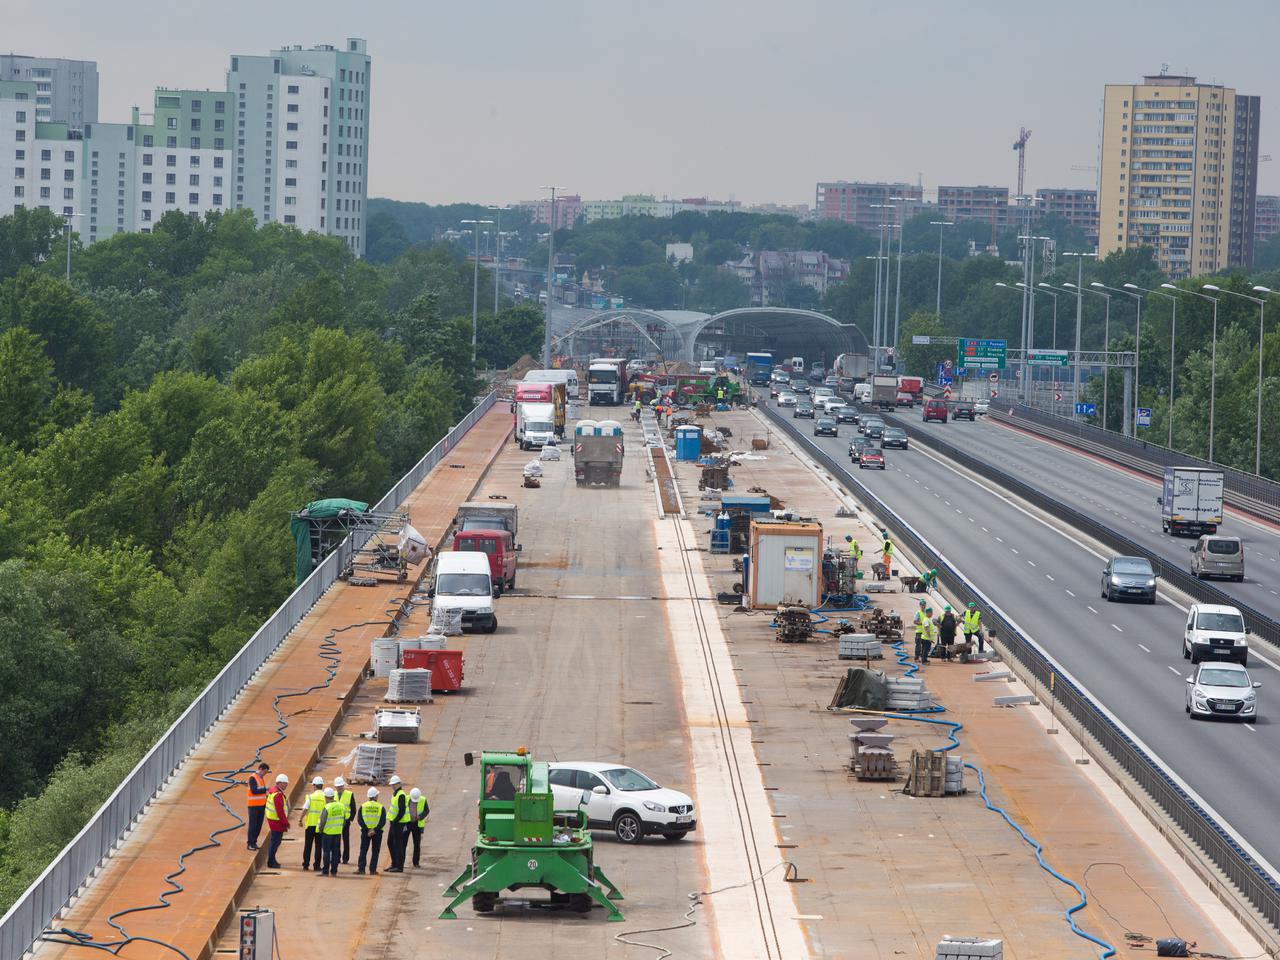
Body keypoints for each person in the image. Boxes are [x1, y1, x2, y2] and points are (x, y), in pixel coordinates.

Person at [316, 787, 346, 876]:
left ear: (326, 797)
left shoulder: (327, 807)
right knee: (336, 852)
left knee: (326, 852)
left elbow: (322, 821)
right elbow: (344, 820)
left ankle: (325, 871)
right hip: (337, 833)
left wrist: (321, 830)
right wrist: (339, 828)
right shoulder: (341, 805)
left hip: (327, 833)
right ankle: (334, 871)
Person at [357, 787, 386, 875]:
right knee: (375, 851)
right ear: (376, 796)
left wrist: (367, 829)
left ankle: (361, 869)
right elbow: (382, 821)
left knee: (363, 850)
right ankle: (372, 870)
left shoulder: (363, 806)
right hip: (377, 833)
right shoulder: (381, 807)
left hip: (365, 832)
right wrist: (374, 830)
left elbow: (360, 820)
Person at [264, 773, 290, 869]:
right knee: (275, 841)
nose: (286, 785)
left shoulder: (273, 791)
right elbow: (280, 811)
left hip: (273, 820)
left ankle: (272, 859)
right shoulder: (277, 795)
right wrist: (285, 823)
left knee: (274, 841)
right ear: (279, 783)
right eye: (284, 783)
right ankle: (271, 861)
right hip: (276, 821)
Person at [300, 776, 326, 871]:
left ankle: (306, 865)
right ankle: (317, 866)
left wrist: (300, 820)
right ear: (322, 786)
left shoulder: (310, 797)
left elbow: (305, 809)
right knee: (318, 846)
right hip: (320, 826)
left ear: (314, 786)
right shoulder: (325, 797)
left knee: (308, 845)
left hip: (310, 825)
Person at [385, 775, 409, 873]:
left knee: (397, 844)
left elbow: (402, 811)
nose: (393, 786)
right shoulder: (395, 794)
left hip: (399, 823)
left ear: (399, 784)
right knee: (390, 842)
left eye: (394, 784)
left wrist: (395, 821)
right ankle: (394, 863)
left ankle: (399, 866)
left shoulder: (401, 795)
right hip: (394, 822)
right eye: (392, 784)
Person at [245, 761, 270, 850]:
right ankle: (250, 843)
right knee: (253, 825)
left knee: (258, 825)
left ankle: (254, 842)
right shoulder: (253, 778)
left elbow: (260, 792)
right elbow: (254, 791)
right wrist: (265, 789)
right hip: (253, 806)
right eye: (265, 772)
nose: (265, 774)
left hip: (261, 805)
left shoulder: (261, 778)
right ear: (260, 769)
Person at [406, 787, 430, 868]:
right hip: (407, 823)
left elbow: (427, 810)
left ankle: (416, 862)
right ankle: (401, 862)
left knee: (417, 844)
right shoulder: (406, 799)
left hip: (417, 824)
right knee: (403, 843)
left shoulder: (423, 800)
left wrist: (420, 816)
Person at [334, 776, 355, 864]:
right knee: (336, 840)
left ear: (343, 786)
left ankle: (345, 858)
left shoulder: (349, 794)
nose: (339, 788)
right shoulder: (333, 794)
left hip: (345, 821)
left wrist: (350, 819)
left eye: (340, 786)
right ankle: (337, 857)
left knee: (346, 840)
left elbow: (353, 808)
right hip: (335, 821)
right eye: (337, 787)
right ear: (335, 787)